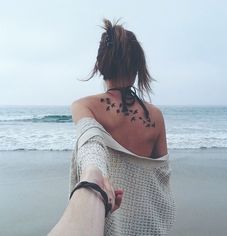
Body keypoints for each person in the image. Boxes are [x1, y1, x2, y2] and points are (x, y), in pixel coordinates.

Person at [69, 19, 176, 235]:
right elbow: (162, 176)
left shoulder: (84, 106)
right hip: (148, 222)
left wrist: (92, 175)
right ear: (138, 67)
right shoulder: (155, 115)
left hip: (107, 215)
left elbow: (91, 146)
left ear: (100, 65)